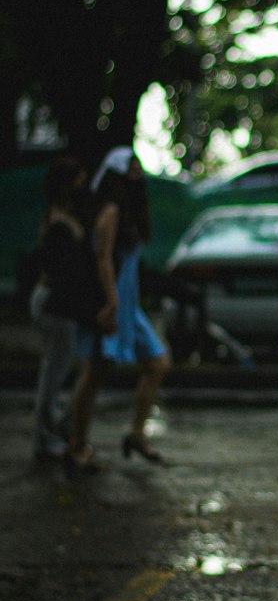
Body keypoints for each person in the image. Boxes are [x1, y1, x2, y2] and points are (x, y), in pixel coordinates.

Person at [68, 146, 171, 467]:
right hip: (112, 302)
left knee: (157, 364)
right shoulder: (110, 211)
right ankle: (77, 445)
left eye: (139, 168)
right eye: (131, 169)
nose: (137, 174)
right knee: (96, 372)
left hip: (127, 305)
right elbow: (102, 259)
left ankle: (135, 434)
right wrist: (111, 301)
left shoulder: (127, 212)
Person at [30, 154, 103, 466]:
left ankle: (51, 436)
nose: (82, 186)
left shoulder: (60, 216)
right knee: (54, 372)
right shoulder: (59, 221)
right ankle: (47, 439)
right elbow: (62, 272)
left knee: (55, 369)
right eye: (78, 180)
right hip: (54, 302)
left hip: (55, 301)